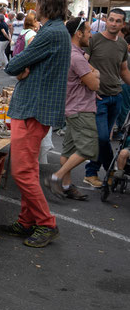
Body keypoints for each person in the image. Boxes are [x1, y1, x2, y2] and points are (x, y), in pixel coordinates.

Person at [0, 0, 71, 248]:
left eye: (37, 2)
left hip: (32, 108)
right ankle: (26, 221)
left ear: (43, 5)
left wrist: (23, 67)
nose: (34, 6)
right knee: (27, 169)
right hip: (36, 107)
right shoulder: (56, 31)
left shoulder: (51, 32)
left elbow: (13, 65)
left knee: (21, 171)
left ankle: (45, 223)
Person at [48, 18, 99, 201]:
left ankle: (68, 186)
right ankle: (57, 177)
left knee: (69, 151)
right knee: (89, 148)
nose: (90, 35)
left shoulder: (72, 53)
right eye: (88, 31)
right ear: (78, 33)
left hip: (72, 107)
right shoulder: (77, 57)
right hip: (81, 109)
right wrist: (96, 75)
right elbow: (94, 84)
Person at [82, 8, 130, 188]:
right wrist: (90, 88)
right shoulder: (94, 40)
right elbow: (83, 66)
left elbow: (123, 71)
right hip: (98, 97)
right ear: (106, 20)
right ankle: (111, 170)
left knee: (104, 139)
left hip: (115, 97)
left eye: (118, 21)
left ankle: (92, 173)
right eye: (111, 20)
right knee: (102, 138)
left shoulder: (122, 45)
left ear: (122, 24)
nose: (114, 23)